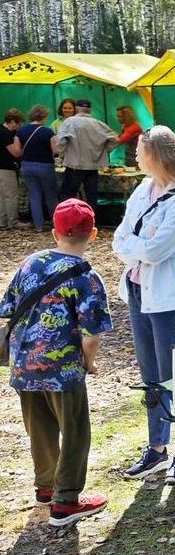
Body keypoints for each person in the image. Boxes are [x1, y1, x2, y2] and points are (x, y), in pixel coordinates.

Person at [0, 197, 112, 526]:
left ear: (54, 233)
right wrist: (88, 363)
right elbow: (91, 336)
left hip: (24, 365)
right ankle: (66, 503)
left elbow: (7, 309)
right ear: (93, 235)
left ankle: (46, 488)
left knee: (40, 428)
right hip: (63, 372)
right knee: (75, 432)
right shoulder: (88, 278)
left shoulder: (30, 264)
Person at [112, 125, 175, 486]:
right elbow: (119, 238)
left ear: (156, 155)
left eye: (140, 151)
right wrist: (139, 245)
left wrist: (137, 245)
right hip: (138, 291)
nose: (136, 156)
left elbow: (154, 250)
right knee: (151, 377)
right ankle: (157, 448)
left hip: (169, 301)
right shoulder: (144, 188)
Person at [53, 99, 118, 208]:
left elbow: (61, 142)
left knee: (67, 198)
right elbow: (115, 139)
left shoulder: (69, 122)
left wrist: (62, 153)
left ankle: (69, 218)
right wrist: (103, 151)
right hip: (92, 167)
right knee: (91, 197)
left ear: (76, 108)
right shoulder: (97, 123)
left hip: (74, 166)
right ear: (90, 110)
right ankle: (91, 218)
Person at [15, 106, 58, 230]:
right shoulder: (48, 131)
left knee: (34, 196)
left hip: (27, 165)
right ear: (44, 116)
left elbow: (17, 152)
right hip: (45, 166)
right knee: (51, 196)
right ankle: (57, 225)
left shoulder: (21, 131)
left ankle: (38, 226)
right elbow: (55, 151)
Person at [0, 109, 24, 229]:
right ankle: (13, 222)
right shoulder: (6, 134)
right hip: (6, 168)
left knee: (2, 196)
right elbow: (15, 153)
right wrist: (23, 148)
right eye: (19, 123)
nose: (19, 126)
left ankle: (2, 221)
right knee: (11, 196)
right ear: (13, 122)